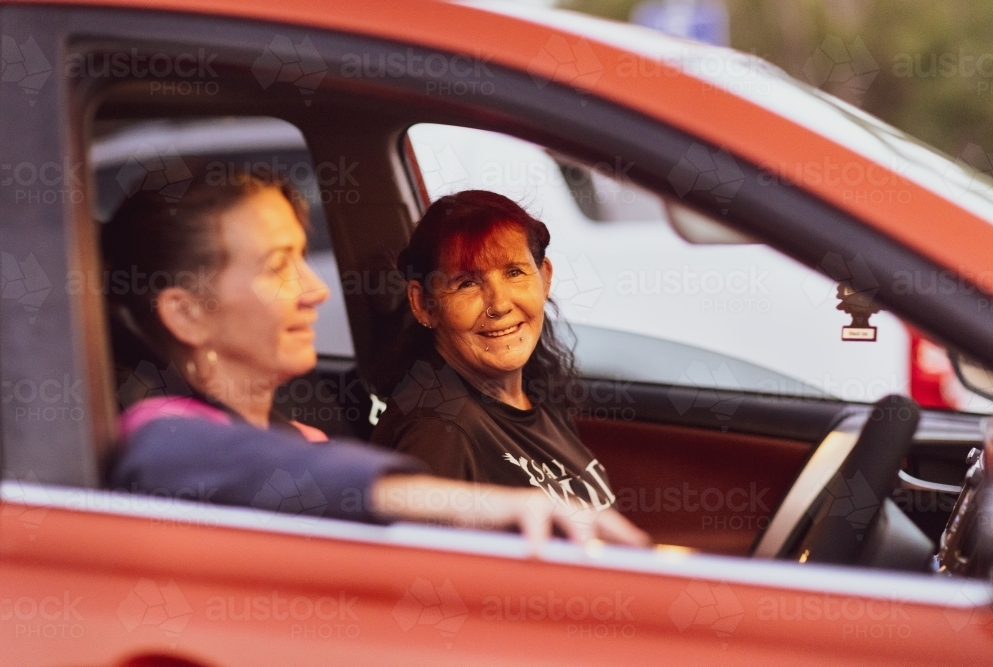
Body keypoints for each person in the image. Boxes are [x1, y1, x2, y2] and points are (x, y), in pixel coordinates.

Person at [102, 167, 648, 549]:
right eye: (277, 266)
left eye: (302, 256)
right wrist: (492, 506)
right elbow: (173, 451)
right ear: (187, 314)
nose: (315, 289)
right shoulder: (164, 437)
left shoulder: (306, 442)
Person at [370, 190, 624, 516]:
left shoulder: (531, 391)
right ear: (424, 304)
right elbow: (426, 565)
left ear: (544, 278)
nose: (500, 304)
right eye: (466, 283)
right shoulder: (439, 431)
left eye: (514, 272)